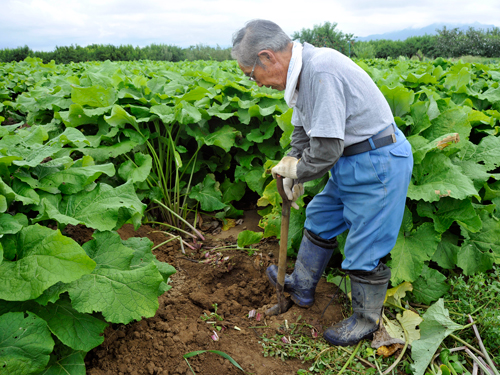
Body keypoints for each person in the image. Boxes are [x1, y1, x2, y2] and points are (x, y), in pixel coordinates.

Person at [231, 19, 413, 347]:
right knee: (320, 217)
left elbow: (327, 148)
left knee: (364, 247)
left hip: (377, 162)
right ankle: (301, 284)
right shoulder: (302, 75)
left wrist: (298, 173)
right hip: (351, 162)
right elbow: (303, 132)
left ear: (267, 57)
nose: (255, 84)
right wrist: (291, 161)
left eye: (250, 74)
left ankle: (366, 320)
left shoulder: (321, 71)